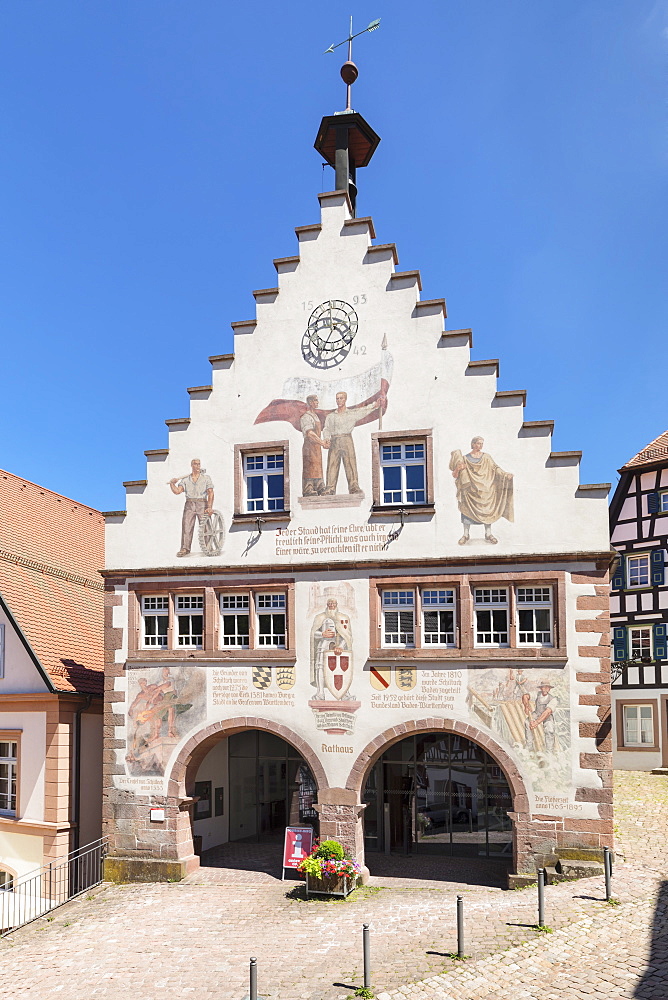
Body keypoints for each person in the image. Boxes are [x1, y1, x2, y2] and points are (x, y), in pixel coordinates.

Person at [449, 436, 513, 544]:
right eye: (478, 443)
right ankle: (466, 534)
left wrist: (505, 474)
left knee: (487, 510)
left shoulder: (487, 457)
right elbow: (455, 475)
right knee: (466, 510)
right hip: (469, 490)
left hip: (485, 489)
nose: (480, 445)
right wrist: (458, 469)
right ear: (473, 444)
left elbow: (495, 468)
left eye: (482, 443)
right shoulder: (464, 459)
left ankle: (488, 534)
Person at [322, 391, 385, 495]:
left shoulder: (351, 413)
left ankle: (354, 486)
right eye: (337, 398)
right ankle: (330, 488)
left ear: (345, 399)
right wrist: (326, 439)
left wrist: (375, 405)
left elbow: (363, 411)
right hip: (335, 440)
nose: (339, 400)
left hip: (347, 439)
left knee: (350, 463)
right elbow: (326, 429)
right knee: (332, 464)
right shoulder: (331, 416)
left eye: (341, 398)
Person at [170, 458, 214, 557]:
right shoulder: (185, 480)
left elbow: (210, 492)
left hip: (202, 503)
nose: (197, 466)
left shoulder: (206, 478)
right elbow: (177, 491)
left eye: (199, 464)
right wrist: (172, 484)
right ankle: (185, 548)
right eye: (195, 464)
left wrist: (210, 506)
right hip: (189, 504)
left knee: (206, 526)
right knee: (187, 526)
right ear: (191, 465)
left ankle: (209, 546)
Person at [309, 597, 352, 699]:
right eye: (330, 603)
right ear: (327, 605)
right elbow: (314, 633)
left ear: (336, 605)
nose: (332, 605)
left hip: (339, 646)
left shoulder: (343, 617)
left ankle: (345, 694)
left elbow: (347, 636)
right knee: (320, 667)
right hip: (323, 646)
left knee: (341, 669)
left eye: (334, 603)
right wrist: (322, 634)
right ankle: (320, 693)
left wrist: (341, 646)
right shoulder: (319, 617)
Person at [300, 394, 328, 495]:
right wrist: (322, 442)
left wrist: (325, 441)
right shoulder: (306, 417)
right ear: (311, 402)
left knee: (318, 467)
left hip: (316, 447)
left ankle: (320, 486)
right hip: (309, 447)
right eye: (315, 401)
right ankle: (309, 489)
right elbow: (310, 433)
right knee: (310, 467)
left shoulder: (315, 416)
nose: (317, 402)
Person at [525, 682, 559, 753]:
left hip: (547, 716)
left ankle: (549, 751)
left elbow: (547, 712)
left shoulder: (553, 699)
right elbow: (525, 696)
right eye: (543, 687)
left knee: (550, 729)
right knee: (527, 722)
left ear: (549, 689)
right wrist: (526, 706)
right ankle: (529, 746)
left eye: (547, 687)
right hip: (537, 713)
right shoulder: (537, 694)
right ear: (541, 688)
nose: (545, 689)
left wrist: (536, 722)